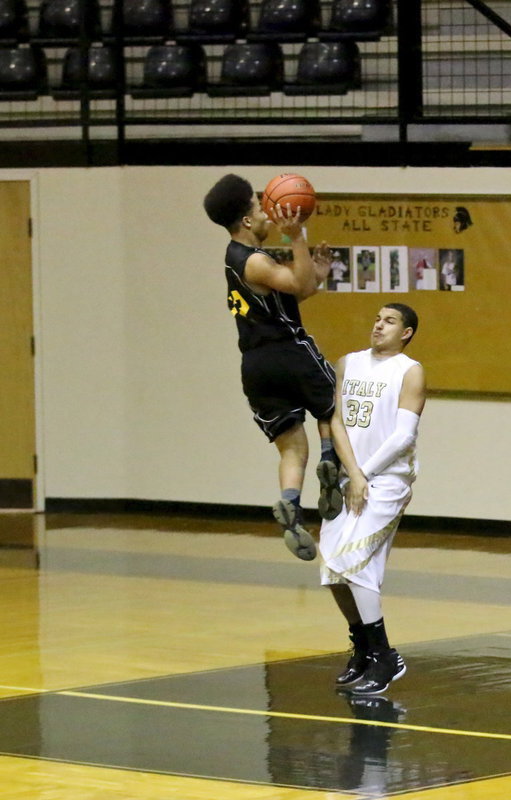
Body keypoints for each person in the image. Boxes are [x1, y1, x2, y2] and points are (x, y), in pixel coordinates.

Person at [203, 173, 343, 561]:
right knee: (336, 401)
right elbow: (297, 285)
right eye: (259, 206)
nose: (268, 212)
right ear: (247, 221)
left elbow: (300, 286)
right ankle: (330, 460)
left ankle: (291, 504)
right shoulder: (255, 261)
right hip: (287, 351)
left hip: (255, 367)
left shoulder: (235, 260)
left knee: (292, 447)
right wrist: (297, 235)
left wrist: (318, 273)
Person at [319, 303, 426, 696]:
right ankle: (363, 647)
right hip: (352, 478)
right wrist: (350, 471)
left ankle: (384, 655)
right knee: (333, 570)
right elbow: (335, 420)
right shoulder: (348, 363)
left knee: (355, 561)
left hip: (387, 481)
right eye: (377, 318)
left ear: (407, 332)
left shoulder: (410, 371)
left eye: (390, 321)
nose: (379, 324)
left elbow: (403, 437)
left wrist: (365, 474)